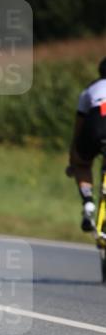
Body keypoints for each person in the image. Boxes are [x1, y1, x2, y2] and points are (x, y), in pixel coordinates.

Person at [67, 58, 106, 232]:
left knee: (82, 163)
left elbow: (78, 129)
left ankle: (88, 203)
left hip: (96, 125)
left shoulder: (90, 90)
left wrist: (74, 162)